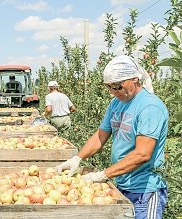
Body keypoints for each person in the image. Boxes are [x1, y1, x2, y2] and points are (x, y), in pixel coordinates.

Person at [56, 55, 168, 219]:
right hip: (121, 183)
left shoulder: (149, 107)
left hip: (145, 190)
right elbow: (100, 136)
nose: (113, 92)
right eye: (109, 87)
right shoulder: (116, 103)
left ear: (135, 79)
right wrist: (77, 158)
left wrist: (103, 174)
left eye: (117, 86)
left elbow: (143, 153)